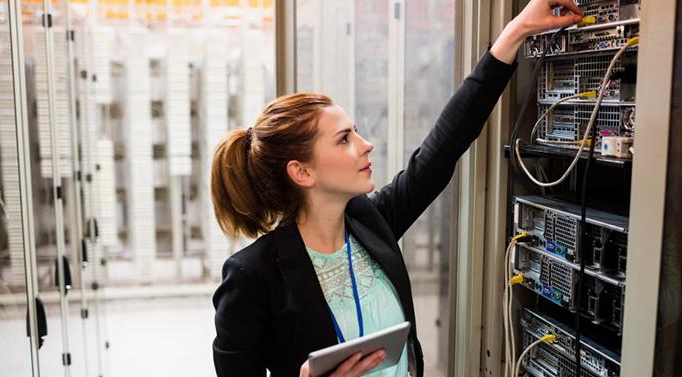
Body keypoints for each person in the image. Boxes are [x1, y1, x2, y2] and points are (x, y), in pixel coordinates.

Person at [210, 1, 583, 376]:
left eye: (355, 131)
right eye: (344, 139)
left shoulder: (370, 224)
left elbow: (443, 148)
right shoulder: (252, 276)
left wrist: (514, 32)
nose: (365, 144)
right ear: (302, 172)